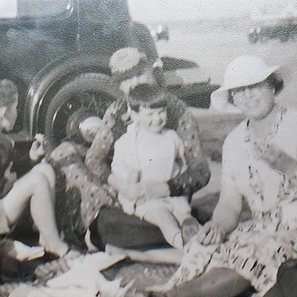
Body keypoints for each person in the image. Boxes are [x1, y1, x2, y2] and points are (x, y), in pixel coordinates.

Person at [141, 55, 297, 297]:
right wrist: (218, 225)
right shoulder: (234, 142)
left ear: (272, 86)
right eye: (239, 91)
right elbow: (229, 203)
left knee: (261, 249)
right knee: (206, 247)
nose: (248, 96)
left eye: (255, 86)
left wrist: (292, 169)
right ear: (232, 99)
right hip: (264, 227)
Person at [89, 47, 210, 250]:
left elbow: (200, 171)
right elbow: (93, 159)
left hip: (169, 195)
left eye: (139, 74)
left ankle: (133, 236)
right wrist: (123, 185)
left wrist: (164, 188)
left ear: (151, 73)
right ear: (119, 85)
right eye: (127, 79)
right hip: (128, 192)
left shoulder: (175, 110)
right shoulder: (117, 110)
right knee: (65, 153)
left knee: (115, 225)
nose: (135, 82)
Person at [0, 79, 74, 258]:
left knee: (44, 170)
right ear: (3, 113)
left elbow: (6, 169)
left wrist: (30, 158)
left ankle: (47, 236)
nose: (16, 113)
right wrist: (8, 182)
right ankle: (56, 244)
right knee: (37, 180)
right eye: (15, 108)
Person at [109, 83, 199, 250]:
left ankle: (196, 235)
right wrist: (128, 177)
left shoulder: (171, 137)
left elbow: (182, 162)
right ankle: (183, 245)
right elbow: (117, 166)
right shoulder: (127, 142)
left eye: (161, 112)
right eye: (150, 114)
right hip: (146, 199)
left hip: (171, 194)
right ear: (135, 115)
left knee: (185, 214)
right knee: (165, 218)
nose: (157, 119)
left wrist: (179, 176)